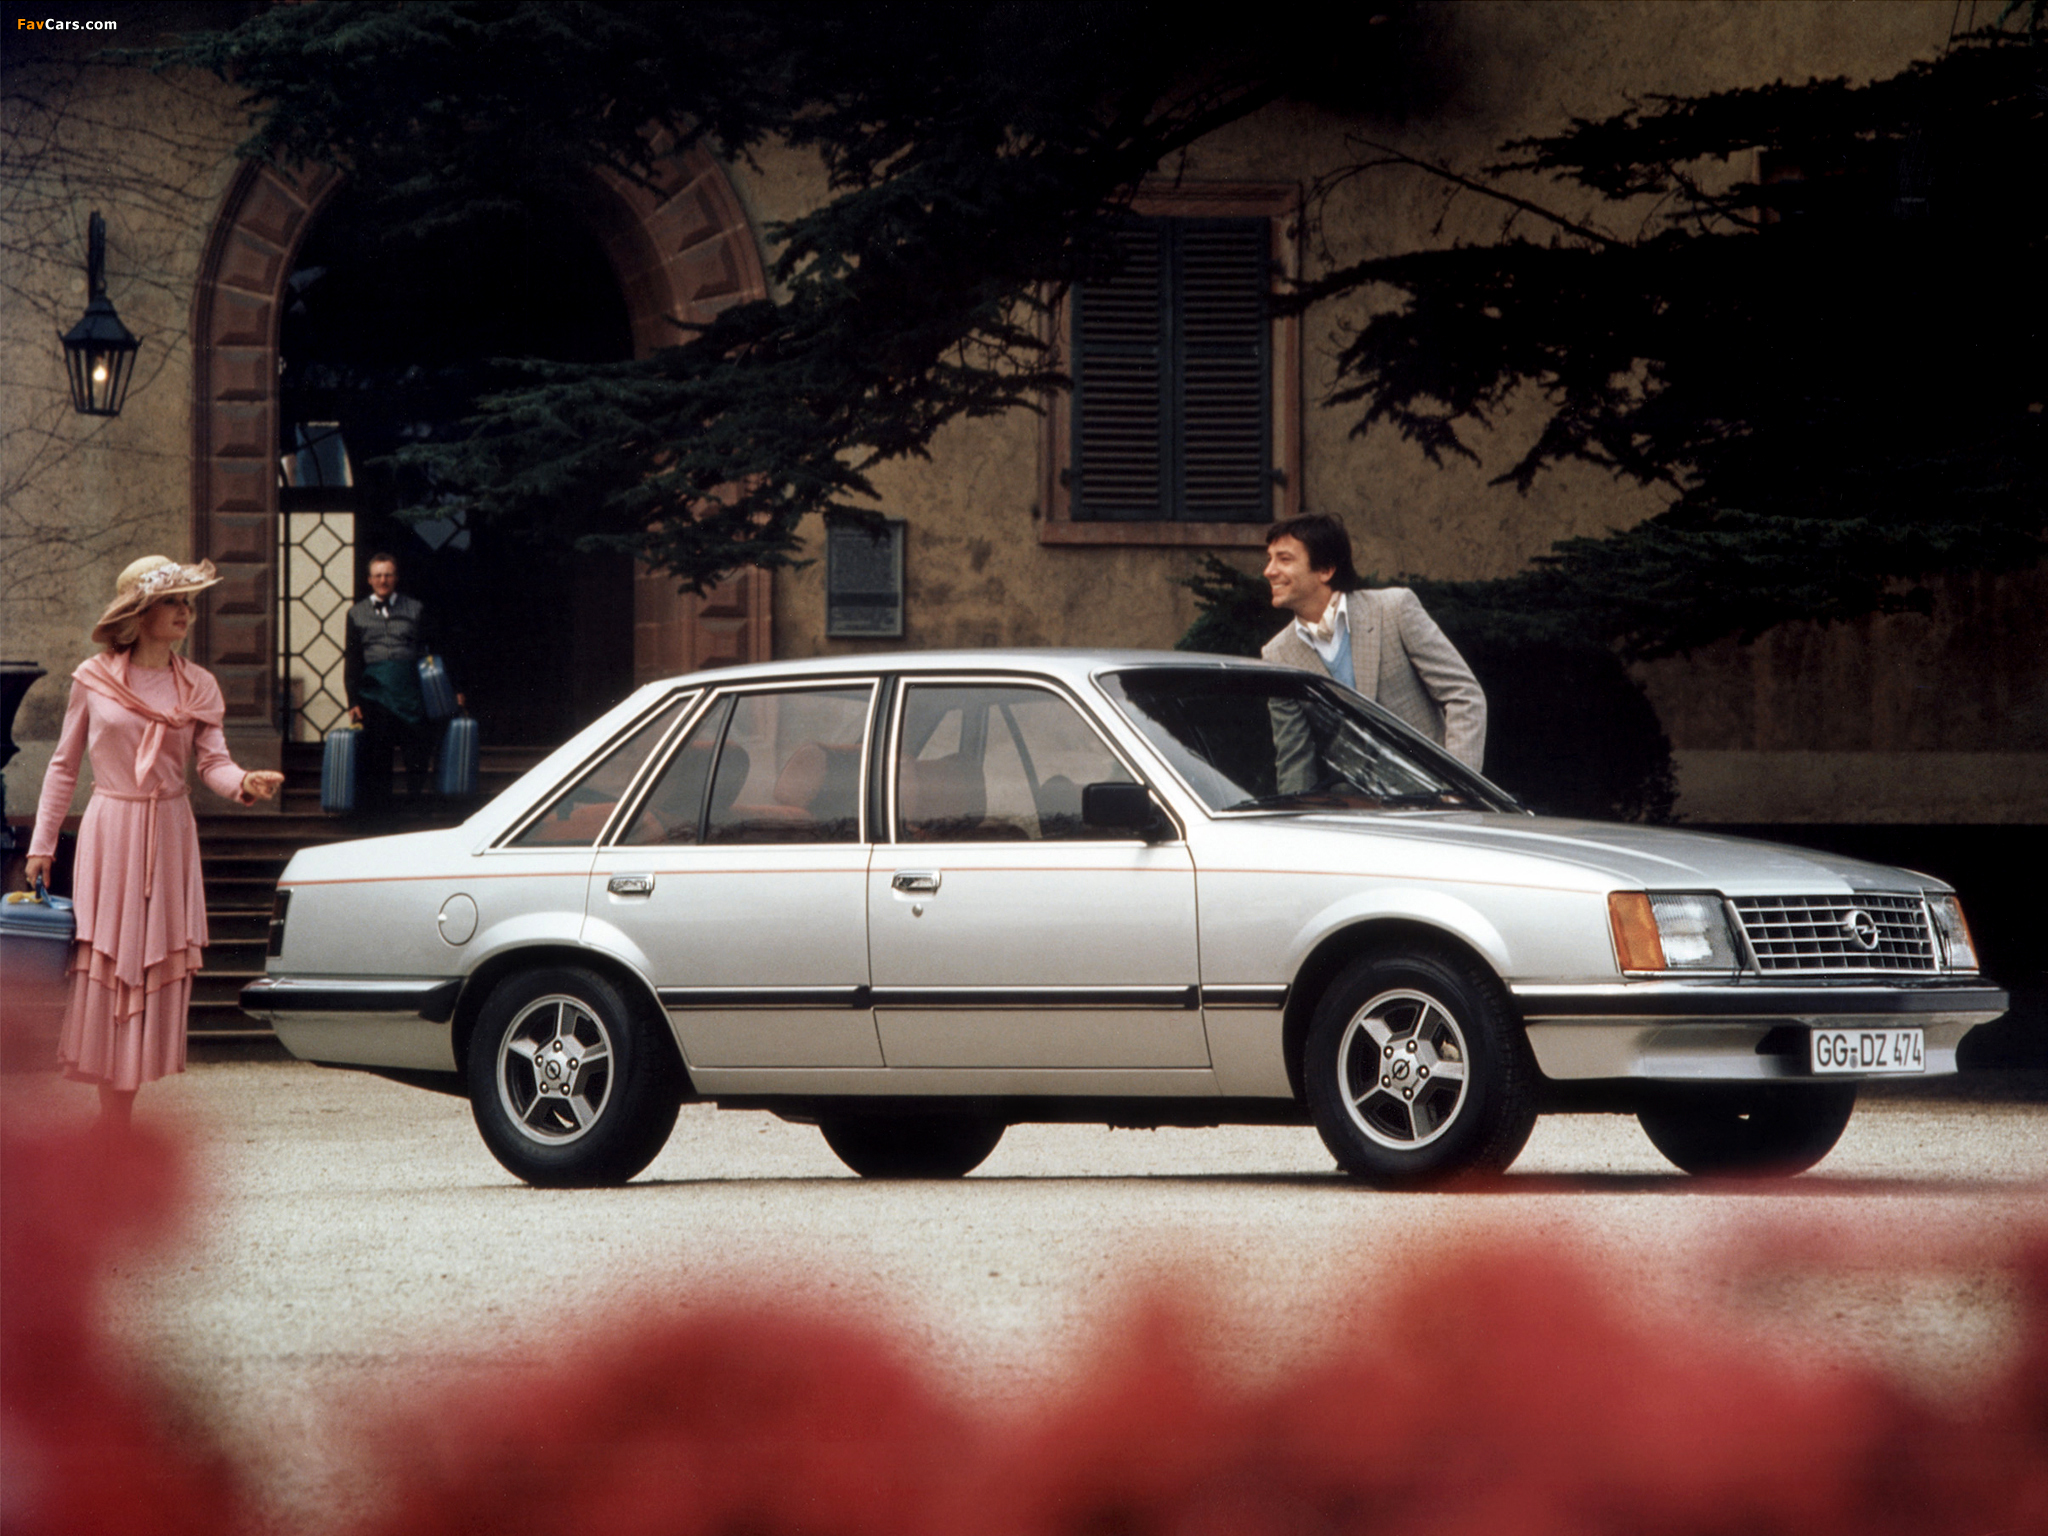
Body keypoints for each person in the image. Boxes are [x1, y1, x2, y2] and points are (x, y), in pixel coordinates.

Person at [23, 556, 284, 1134]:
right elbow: (64, 766)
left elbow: (213, 763)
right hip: (111, 827)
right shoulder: (93, 678)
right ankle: (110, 1112)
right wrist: (43, 843)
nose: (185, 611)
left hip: (168, 831)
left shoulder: (199, 685)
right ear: (139, 614)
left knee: (149, 967)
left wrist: (244, 782)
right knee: (110, 964)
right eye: (173, 601)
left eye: (188, 602)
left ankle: (124, 1107)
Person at [1259, 514, 1488, 770]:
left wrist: (1457, 784)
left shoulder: (1393, 609)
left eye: (1284, 559)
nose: (1269, 571)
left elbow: (1464, 696)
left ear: (1326, 570)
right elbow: (1294, 757)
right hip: (1352, 795)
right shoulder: (1277, 654)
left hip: (1434, 787)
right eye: (1269, 559)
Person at [344, 552, 458, 811]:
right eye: (377, 576)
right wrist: (352, 700)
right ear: (369, 580)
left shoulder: (416, 609)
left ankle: (415, 802)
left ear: (396, 578)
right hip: (374, 693)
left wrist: (452, 687)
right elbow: (352, 659)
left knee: (417, 749)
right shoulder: (355, 613)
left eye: (388, 575)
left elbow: (434, 649)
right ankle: (381, 811)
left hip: (410, 690)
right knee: (377, 753)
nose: (383, 580)